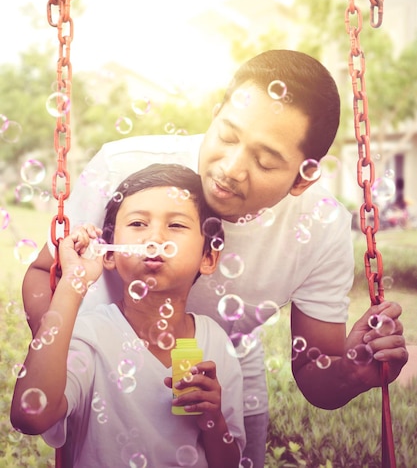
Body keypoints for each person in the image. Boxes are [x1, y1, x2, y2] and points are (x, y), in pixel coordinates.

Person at [22, 49, 408, 468]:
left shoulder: (321, 227)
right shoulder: (125, 168)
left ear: (304, 176)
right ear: (216, 112)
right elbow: (45, 272)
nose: (231, 168)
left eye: (264, 160)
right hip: (103, 362)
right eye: (226, 135)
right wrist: (66, 353)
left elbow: (318, 376)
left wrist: (350, 373)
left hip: (221, 364)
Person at [11, 164, 245, 468]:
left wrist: (213, 419)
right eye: (137, 223)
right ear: (108, 253)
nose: (154, 238)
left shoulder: (215, 341)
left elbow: (229, 462)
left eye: (176, 225)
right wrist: (74, 282)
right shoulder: (90, 337)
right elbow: (30, 416)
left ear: (208, 257)